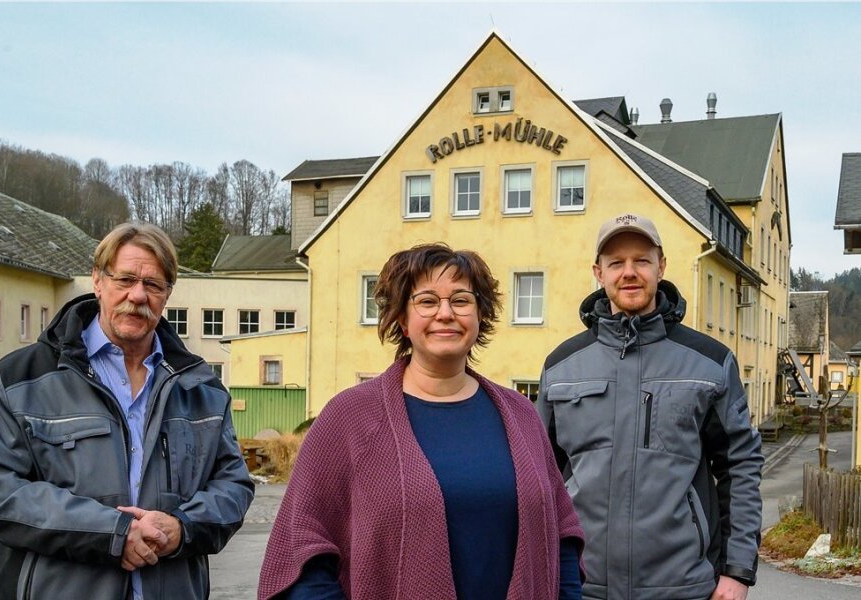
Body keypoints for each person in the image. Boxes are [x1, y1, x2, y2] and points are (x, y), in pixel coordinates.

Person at [258, 243, 585, 600]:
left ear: (480, 315)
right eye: (427, 301)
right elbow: (304, 547)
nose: (445, 313)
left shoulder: (521, 416)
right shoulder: (349, 419)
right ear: (402, 319)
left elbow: (561, 537)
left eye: (461, 300)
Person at [0, 223, 254, 600]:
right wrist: (112, 532)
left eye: (153, 284)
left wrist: (183, 527)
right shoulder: (18, 380)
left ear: (167, 294)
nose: (138, 295)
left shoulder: (201, 389)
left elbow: (233, 485)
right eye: (126, 279)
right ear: (98, 281)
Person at [537, 214, 763, 600]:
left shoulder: (709, 362)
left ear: (661, 266)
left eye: (641, 260)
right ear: (599, 272)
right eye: (616, 263)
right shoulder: (561, 366)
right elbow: (538, 477)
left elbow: (739, 467)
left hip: (683, 585)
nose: (629, 272)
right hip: (581, 586)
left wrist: (737, 571)